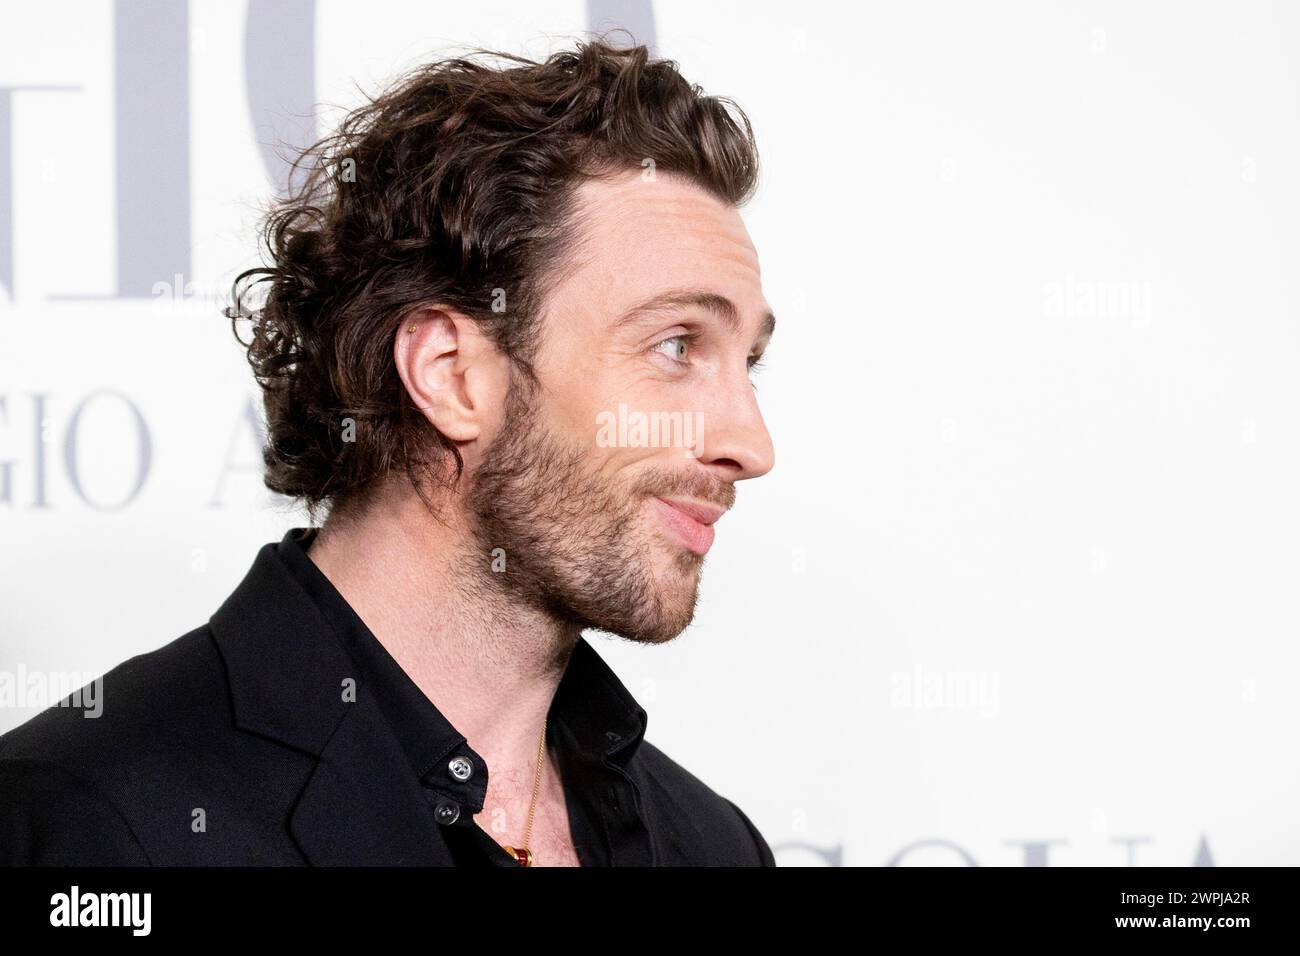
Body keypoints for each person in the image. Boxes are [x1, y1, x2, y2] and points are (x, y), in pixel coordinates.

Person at [0, 37, 777, 866]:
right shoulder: (89, 825)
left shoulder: (712, 845)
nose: (750, 445)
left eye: (750, 364)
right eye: (676, 345)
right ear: (450, 374)